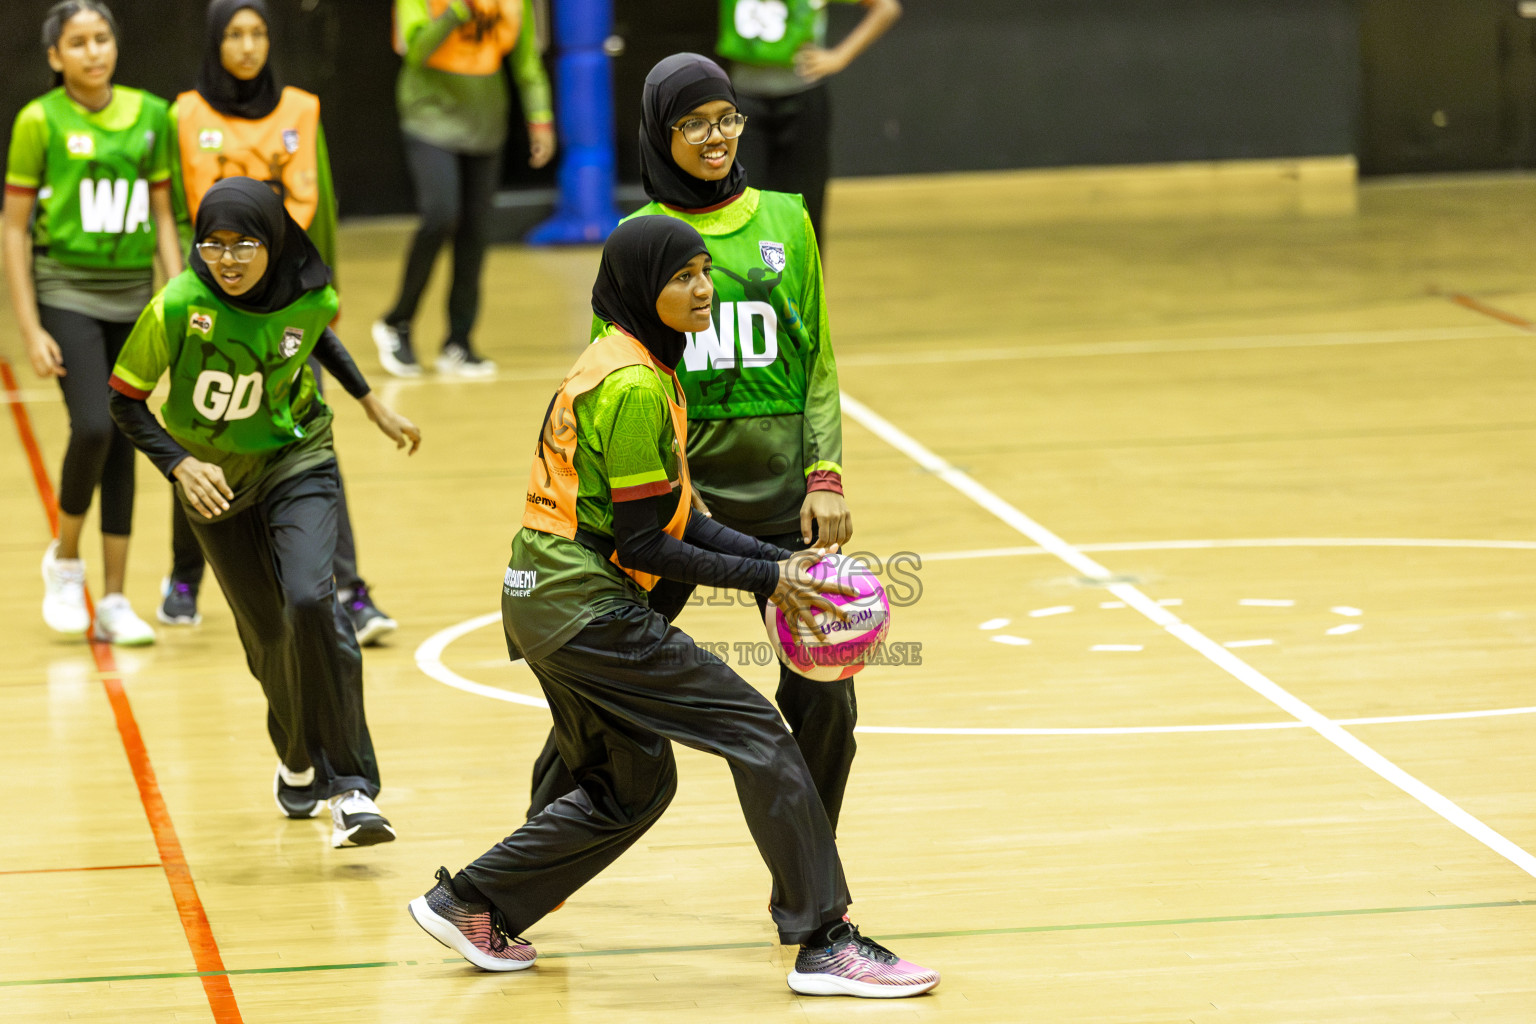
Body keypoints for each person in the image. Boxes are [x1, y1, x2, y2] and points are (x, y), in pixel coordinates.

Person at [406, 215, 938, 997]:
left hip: (542, 600)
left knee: (632, 788)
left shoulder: (633, 362)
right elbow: (646, 542)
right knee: (758, 732)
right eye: (682, 277)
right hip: (586, 606)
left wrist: (777, 563)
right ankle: (825, 941)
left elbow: (681, 516)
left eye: (704, 272)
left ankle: (473, 901)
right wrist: (767, 581)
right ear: (639, 288)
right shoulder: (632, 387)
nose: (703, 289)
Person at [526, 54, 858, 837]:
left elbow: (817, 360)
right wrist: (674, 483)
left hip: (784, 506)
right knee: (605, 687)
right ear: (659, 133)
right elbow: (619, 372)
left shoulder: (788, 219)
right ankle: (537, 853)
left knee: (827, 700)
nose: (716, 137)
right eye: (694, 124)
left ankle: (810, 873)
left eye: (726, 118)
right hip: (675, 513)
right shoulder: (637, 238)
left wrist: (826, 474)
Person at [108, 177, 420, 847]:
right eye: (213, 244)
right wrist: (179, 464)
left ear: (273, 243)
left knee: (311, 601)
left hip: (296, 457)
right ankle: (296, 753)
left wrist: (369, 400)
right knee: (270, 638)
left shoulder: (312, 294)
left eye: (243, 244)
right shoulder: (177, 306)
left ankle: (352, 790)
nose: (228, 259)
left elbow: (310, 335)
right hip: (215, 484)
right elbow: (124, 400)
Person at [159, 0, 396, 643]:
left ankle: (350, 589)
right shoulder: (184, 114)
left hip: (287, 302)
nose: (248, 45)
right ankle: (184, 576)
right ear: (215, 42)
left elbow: (323, 210)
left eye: (258, 32)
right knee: (205, 434)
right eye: (234, 33)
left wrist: (327, 293)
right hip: (213, 303)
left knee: (310, 438)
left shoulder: (301, 109)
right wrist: (181, 292)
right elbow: (174, 211)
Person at [3, 0, 181, 645]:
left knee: (127, 437)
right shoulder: (39, 121)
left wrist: (178, 304)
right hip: (67, 295)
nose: (93, 52)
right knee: (92, 427)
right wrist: (30, 328)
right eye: (77, 43)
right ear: (55, 56)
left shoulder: (152, 115)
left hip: (135, 300)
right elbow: (14, 229)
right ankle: (66, 560)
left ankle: (114, 598)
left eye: (101, 38)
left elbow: (164, 216)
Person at [372, 0, 556, 378]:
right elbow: (416, 53)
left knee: (475, 231)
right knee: (441, 215)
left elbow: (527, 65)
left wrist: (540, 120)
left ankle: (458, 342)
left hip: (485, 124)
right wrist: (458, 10)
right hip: (429, 116)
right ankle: (397, 322)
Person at [718, 0, 901, 239]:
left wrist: (839, 57)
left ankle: (806, 264)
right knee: (742, 207)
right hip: (743, 103)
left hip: (803, 102)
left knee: (804, 210)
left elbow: (886, 8)